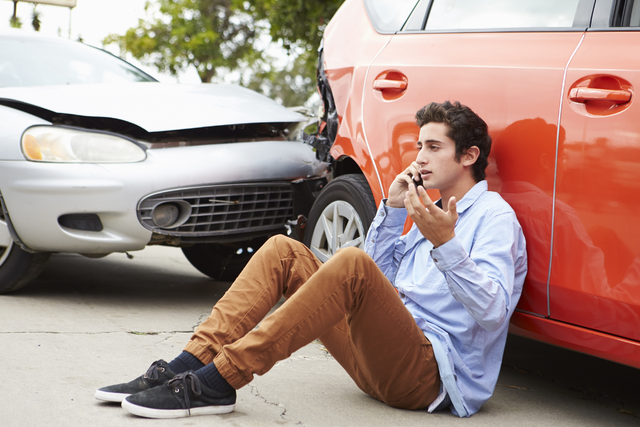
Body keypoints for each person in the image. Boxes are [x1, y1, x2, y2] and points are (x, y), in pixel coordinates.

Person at [95, 100, 527, 419]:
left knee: (349, 265)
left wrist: (445, 244)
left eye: (434, 147)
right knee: (285, 250)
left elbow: (492, 314)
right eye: (419, 146)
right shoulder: (423, 210)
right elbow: (374, 283)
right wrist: (393, 212)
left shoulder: (493, 218)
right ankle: (189, 362)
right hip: (378, 357)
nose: (419, 158)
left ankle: (223, 380)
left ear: (468, 156)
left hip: (425, 377)